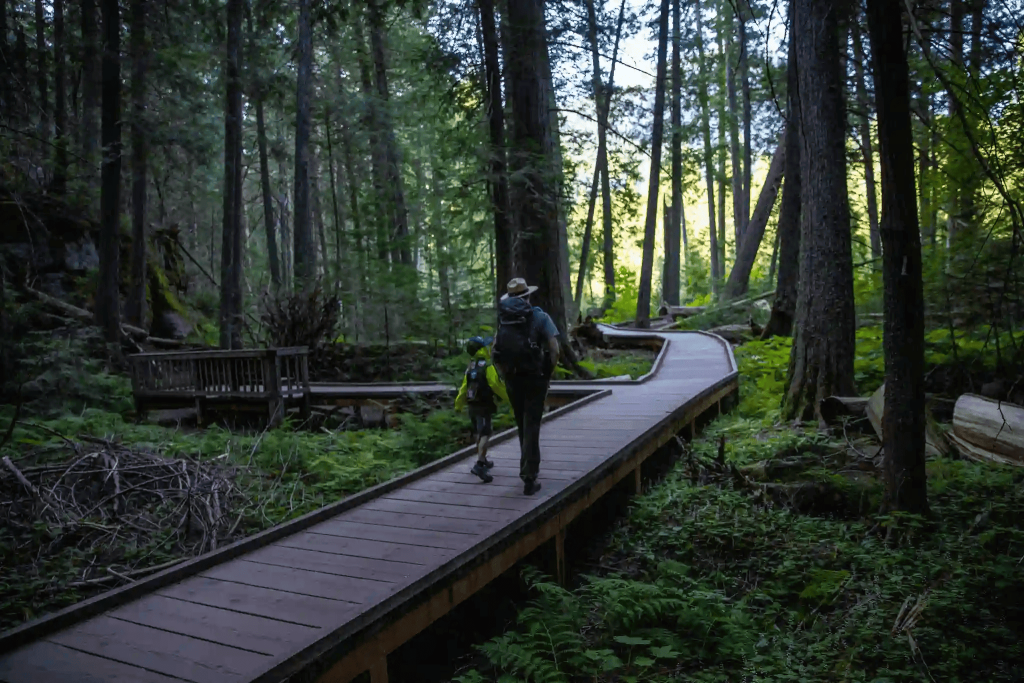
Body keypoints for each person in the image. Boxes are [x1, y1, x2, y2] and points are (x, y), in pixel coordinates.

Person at [490, 278, 560, 495]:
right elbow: (555, 349)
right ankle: (529, 476)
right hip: (535, 378)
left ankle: (527, 468)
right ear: (528, 296)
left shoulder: (504, 319)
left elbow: (495, 351)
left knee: (522, 423)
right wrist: (547, 372)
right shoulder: (539, 316)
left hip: (512, 379)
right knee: (532, 424)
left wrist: (505, 373)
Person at [454, 336, 509, 483]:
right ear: (482, 349)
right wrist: (509, 399)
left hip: (472, 406)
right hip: (484, 405)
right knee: (486, 432)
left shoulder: (471, 366)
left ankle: (483, 459)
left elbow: (464, 387)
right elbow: (496, 385)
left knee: (479, 431)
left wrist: (458, 404)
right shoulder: (487, 366)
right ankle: (479, 464)